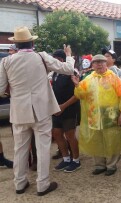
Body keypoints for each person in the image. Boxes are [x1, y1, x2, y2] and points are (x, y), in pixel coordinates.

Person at [0, 26, 75, 196]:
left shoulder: (5, 61)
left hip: (19, 111)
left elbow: (0, 89)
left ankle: (19, 184)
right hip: (40, 110)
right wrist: (69, 55)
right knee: (42, 148)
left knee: (20, 149)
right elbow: (68, 69)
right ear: (32, 41)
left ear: (16, 44)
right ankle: (42, 184)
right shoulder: (41, 56)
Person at [72, 54, 121, 176]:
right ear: (92, 65)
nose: (99, 64)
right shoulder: (88, 79)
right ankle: (100, 165)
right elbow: (80, 95)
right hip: (94, 115)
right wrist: (77, 85)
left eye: (102, 62)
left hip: (111, 114)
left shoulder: (114, 77)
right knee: (97, 140)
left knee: (111, 139)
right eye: (96, 62)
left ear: (106, 63)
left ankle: (111, 165)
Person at [51, 49, 81, 173]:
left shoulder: (71, 72)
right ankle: (66, 158)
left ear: (61, 60)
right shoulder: (54, 73)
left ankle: (76, 160)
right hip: (56, 109)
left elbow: (77, 94)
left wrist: (63, 106)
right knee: (57, 133)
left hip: (69, 108)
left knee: (70, 135)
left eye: (55, 60)